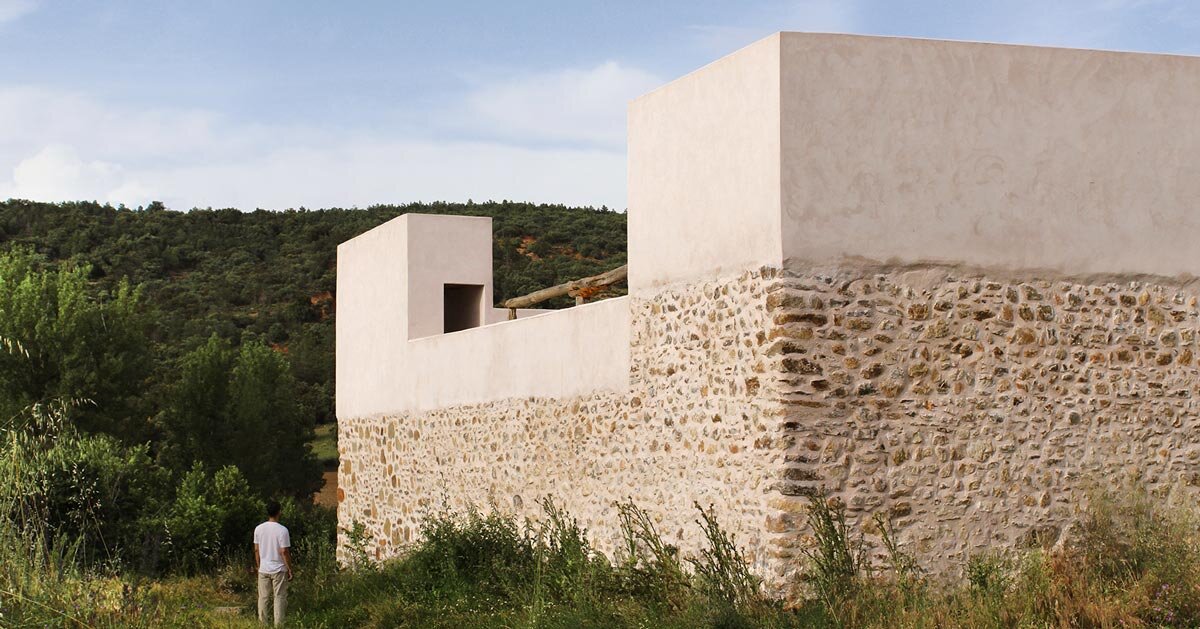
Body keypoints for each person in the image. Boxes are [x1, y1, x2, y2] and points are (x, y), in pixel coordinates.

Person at [254, 500, 293, 625]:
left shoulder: (259, 529)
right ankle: (279, 624)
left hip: (264, 568)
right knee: (279, 597)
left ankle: (262, 623)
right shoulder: (282, 530)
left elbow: (256, 549)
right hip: (279, 568)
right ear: (279, 512)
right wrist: (290, 568)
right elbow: (284, 551)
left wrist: (259, 565)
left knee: (263, 598)